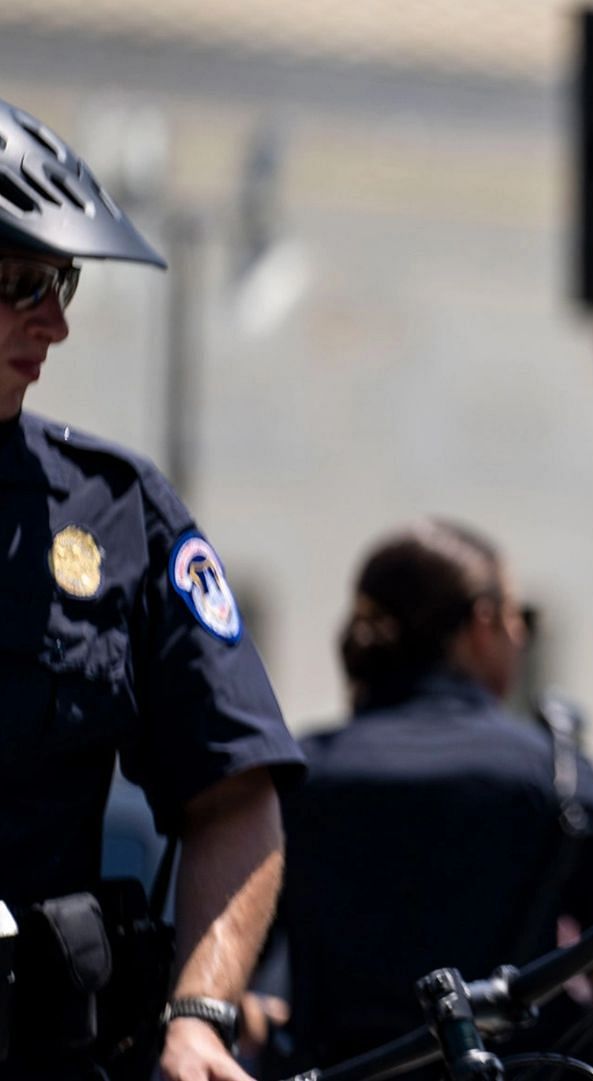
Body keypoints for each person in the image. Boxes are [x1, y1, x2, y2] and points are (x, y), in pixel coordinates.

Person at [0, 96, 304, 1081]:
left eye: (65, 283)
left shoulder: (117, 510)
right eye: (19, 283)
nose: (54, 322)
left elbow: (235, 792)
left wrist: (200, 1016)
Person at [273, 519, 593, 1079]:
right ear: (484, 622)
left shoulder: (299, 772)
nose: (520, 638)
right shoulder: (553, 772)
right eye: (520, 619)